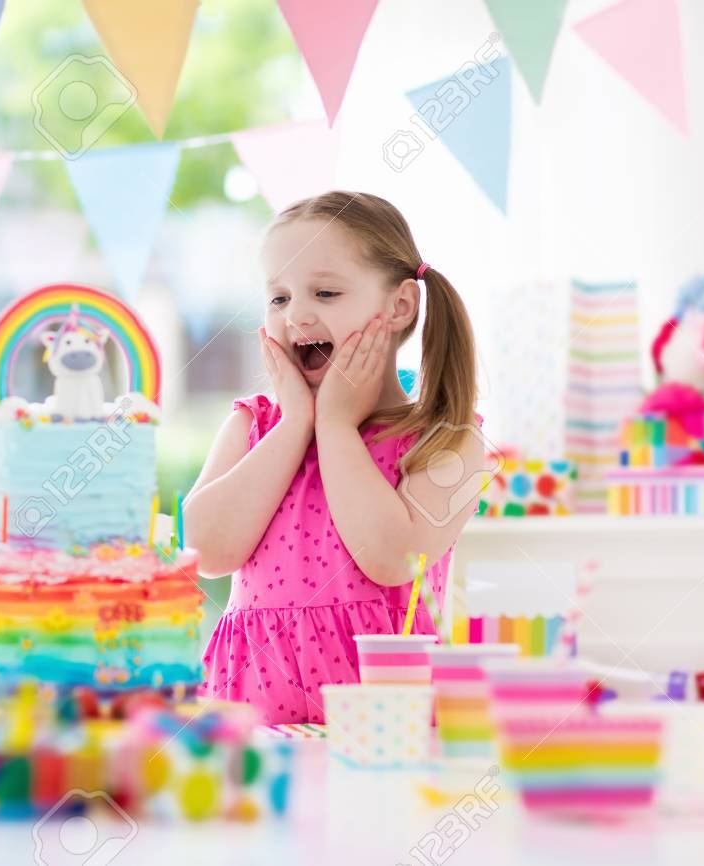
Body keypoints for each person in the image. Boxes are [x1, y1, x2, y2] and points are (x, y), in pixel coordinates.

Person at [183, 191, 486, 724]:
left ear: (399, 306)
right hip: (255, 712)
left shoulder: (447, 437)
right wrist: (297, 423)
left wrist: (337, 426)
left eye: (324, 292)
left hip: (386, 721)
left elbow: (394, 559)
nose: (297, 313)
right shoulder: (254, 426)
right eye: (278, 299)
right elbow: (206, 550)